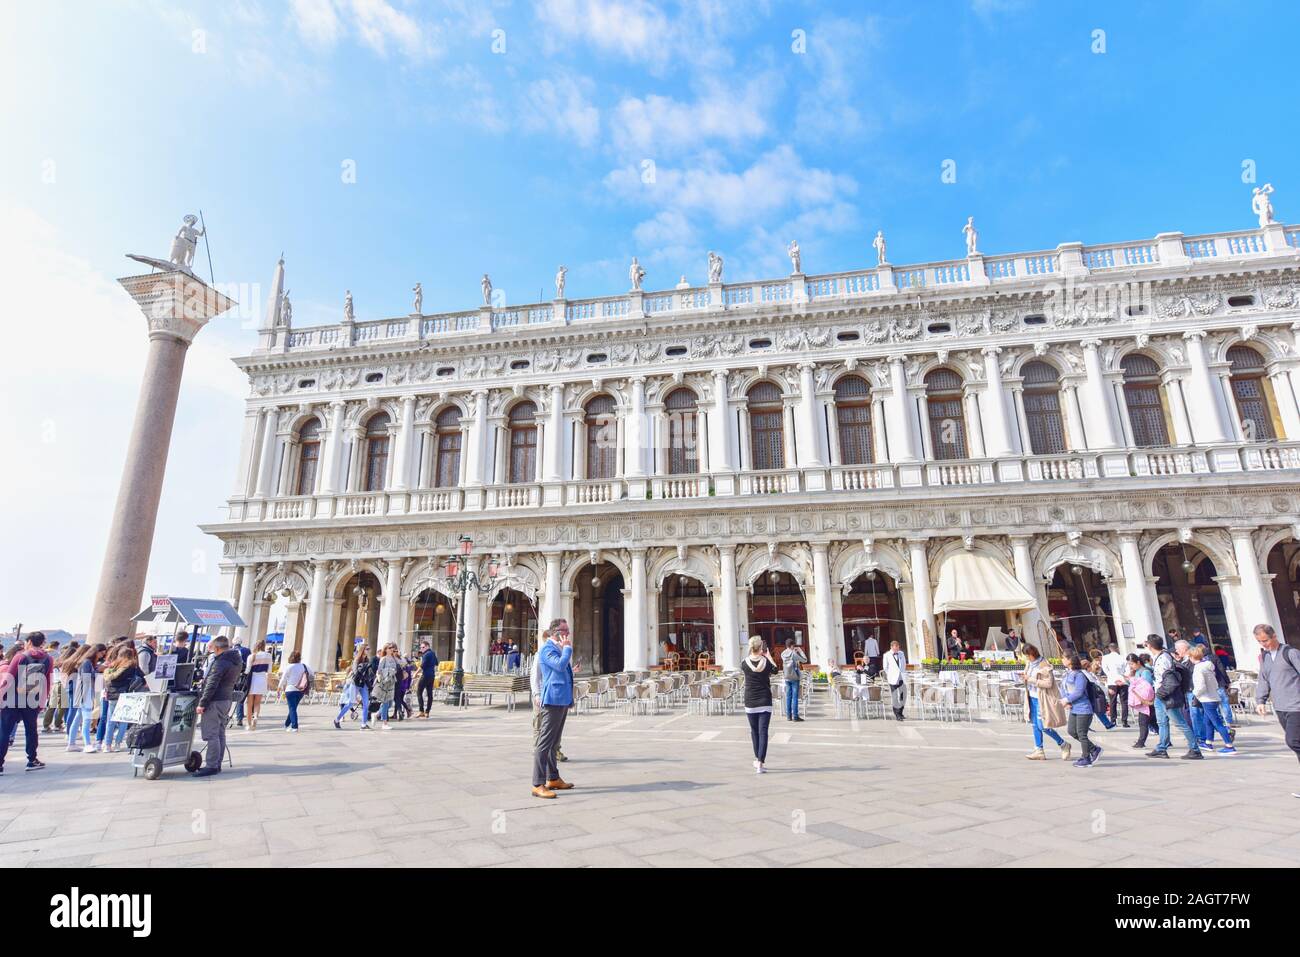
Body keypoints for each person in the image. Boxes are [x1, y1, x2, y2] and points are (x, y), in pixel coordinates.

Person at [1253, 623, 1300, 794]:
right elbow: (1263, 679)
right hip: (1280, 707)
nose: (1263, 644)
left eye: (1265, 640)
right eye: (1260, 641)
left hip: (1297, 705)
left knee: (1293, 741)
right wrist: (1260, 700)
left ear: (1274, 636)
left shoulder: (1290, 653)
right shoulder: (1265, 657)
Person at [531, 622, 575, 798]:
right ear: (556, 632)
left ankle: (553, 778)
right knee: (544, 743)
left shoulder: (556, 647)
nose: (568, 633)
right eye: (566, 631)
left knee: (553, 743)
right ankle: (537, 783)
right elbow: (559, 666)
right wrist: (567, 649)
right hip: (553, 699)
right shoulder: (547, 649)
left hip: (562, 698)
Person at [0, 632, 52, 774]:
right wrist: (42, 702)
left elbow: (8, 679)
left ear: (29, 641)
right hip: (32, 700)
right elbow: (47, 682)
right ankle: (32, 760)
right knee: (31, 731)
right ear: (42, 642)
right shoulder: (48, 659)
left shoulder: (20, 656)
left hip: (12, 699)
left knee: (4, 731)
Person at [1146, 635, 1202, 760]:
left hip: (1166, 695)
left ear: (1150, 646)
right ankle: (1161, 748)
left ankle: (1195, 749)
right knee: (1161, 722)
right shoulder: (1160, 656)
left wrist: (1160, 694)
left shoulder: (1164, 658)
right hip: (1161, 694)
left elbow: (1169, 680)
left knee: (1180, 723)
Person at [193, 636, 241, 777]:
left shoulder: (221, 662)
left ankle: (212, 765)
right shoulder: (236, 660)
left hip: (215, 700)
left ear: (218, 648)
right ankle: (217, 763)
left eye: (213, 648)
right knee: (220, 733)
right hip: (226, 699)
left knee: (211, 734)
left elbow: (212, 684)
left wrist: (202, 703)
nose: (212, 651)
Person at [1021, 643, 1070, 760]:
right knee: (1034, 725)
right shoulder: (1029, 664)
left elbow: (1049, 683)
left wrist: (1031, 679)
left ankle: (1063, 744)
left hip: (1041, 699)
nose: (1027, 658)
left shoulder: (1044, 664)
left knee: (1043, 725)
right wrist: (1024, 677)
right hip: (1031, 697)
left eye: (1027, 655)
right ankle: (1039, 750)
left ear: (1032, 653)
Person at [1188, 645, 1236, 754]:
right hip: (1213, 696)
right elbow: (1214, 682)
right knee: (1208, 721)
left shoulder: (1198, 668)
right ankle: (1208, 742)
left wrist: (1195, 694)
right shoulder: (1208, 666)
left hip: (1206, 698)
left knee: (1217, 723)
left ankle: (1229, 745)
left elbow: (1200, 686)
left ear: (1192, 657)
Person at [740, 637, 778, 773]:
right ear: (761, 647)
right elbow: (775, 670)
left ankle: (757, 759)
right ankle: (760, 762)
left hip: (750, 700)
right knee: (763, 732)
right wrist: (769, 657)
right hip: (764, 699)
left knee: (754, 731)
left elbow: (747, 663)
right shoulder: (766, 662)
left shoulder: (744, 663)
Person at [103, 647, 146, 752]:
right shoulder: (133, 666)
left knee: (110, 721)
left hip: (112, 695)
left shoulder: (113, 665)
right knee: (123, 720)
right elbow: (143, 678)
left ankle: (107, 745)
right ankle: (117, 744)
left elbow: (109, 680)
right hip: (125, 695)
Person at [1060, 654, 1099, 767]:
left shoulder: (1080, 675)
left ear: (1070, 660)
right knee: (1072, 731)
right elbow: (1063, 688)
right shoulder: (1067, 674)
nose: (1062, 660)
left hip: (1083, 708)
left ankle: (1086, 758)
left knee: (1082, 733)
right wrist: (1066, 701)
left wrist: (1067, 699)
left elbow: (1079, 691)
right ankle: (1094, 749)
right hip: (1074, 708)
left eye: (1064, 658)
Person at [65, 644, 106, 753]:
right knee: (86, 719)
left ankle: (71, 743)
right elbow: (86, 678)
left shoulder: (87, 662)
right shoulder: (87, 662)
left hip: (83, 693)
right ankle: (87, 744)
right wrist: (99, 671)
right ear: (96, 652)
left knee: (78, 718)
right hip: (85, 693)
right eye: (102, 653)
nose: (103, 655)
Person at [334, 646, 373, 729]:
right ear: (362, 650)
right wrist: (363, 671)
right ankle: (337, 719)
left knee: (366, 704)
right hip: (355, 683)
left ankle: (363, 724)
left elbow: (369, 672)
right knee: (351, 703)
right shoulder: (356, 660)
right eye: (367, 649)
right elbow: (355, 672)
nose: (368, 651)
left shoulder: (368, 660)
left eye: (369, 649)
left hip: (364, 684)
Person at [1126, 654, 1156, 750]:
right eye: (1129, 664)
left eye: (1132, 664)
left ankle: (1141, 742)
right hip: (1140, 700)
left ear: (1138, 662)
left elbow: (1147, 687)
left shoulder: (1145, 672)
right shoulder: (1137, 672)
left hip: (1145, 700)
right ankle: (1166, 740)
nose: (1131, 666)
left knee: (1143, 722)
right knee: (1152, 722)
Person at [242, 640, 273, 731]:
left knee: (249, 703)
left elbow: (247, 670)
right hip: (262, 678)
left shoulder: (252, 656)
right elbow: (269, 671)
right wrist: (269, 682)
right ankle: (255, 716)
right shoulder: (268, 656)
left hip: (253, 679)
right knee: (257, 702)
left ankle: (248, 724)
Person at [277, 651, 311, 732]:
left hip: (290, 689)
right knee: (293, 708)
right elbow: (312, 674)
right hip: (301, 690)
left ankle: (294, 726)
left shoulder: (289, 667)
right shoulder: (304, 666)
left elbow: (283, 679)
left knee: (292, 708)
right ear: (300, 658)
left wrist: (279, 688)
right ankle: (286, 724)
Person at [42, 644, 71, 734]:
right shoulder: (64, 663)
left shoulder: (54, 662)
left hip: (54, 684)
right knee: (61, 706)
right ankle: (57, 725)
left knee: (52, 706)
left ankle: (46, 725)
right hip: (61, 684)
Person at [1100, 642, 1128, 728]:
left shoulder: (1105, 658)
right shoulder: (1123, 657)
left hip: (1112, 681)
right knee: (1124, 701)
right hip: (1123, 680)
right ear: (1117, 648)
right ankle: (1124, 721)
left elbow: (1105, 669)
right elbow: (1127, 669)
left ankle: (1113, 720)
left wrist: (1112, 676)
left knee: (1112, 701)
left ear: (1109, 649)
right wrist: (1122, 676)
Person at [1084, 659, 1117, 730]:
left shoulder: (1086, 673)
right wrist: (1107, 690)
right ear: (1087, 667)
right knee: (1095, 710)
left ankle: (1107, 724)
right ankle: (1107, 724)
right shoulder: (1087, 674)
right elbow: (1097, 684)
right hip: (1091, 694)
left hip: (1089, 694)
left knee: (1095, 710)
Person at [373, 644, 400, 729]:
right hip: (384, 682)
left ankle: (376, 714)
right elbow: (379, 670)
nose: (392, 649)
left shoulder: (394, 659)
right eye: (390, 648)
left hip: (392, 681)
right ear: (386, 649)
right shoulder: (383, 659)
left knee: (390, 703)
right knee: (385, 702)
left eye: (393, 648)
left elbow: (398, 668)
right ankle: (384, 723)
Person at [780, 637, 807, 722]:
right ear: (792, 645)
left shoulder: (782, 654)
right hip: (795, 677)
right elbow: (804, 660)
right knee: (794, 697)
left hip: (787, 677)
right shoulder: (793, 653)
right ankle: (795, 716)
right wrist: (800, 651)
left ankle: (788, 716)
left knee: (788, 697)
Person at [883, 639, 907, 721]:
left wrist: (903, 673)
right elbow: (885, 667)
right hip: (892, 678)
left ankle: (900, 712)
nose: (897, 648)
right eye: (895, 647)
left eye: (898, 647)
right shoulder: (887, 655)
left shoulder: (901, 653)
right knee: (894, 696)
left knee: (903, 696)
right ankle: (897, 714)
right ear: (892, 647)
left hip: (901, 677)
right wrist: (890, 675)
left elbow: (904, 664)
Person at [230, 637, 251, 726]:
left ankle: (226, 715)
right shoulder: (247, 651)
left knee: (228, 697)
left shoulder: (230, 651)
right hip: (243, 677)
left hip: (232, 676)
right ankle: (239, 717)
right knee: (241, 698)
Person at [416, 640, 439, 717]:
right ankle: (427, 712)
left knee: (419, 692)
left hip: (425, 675)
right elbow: (436, 663)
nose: (421, 649)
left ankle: (421, 711)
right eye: (421, 647)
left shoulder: (426, 654)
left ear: (427, 646)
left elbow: (422, 666)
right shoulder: (432, 653)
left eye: (423, 647)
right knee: (429, 694)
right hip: (432, 675)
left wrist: (415, 673)